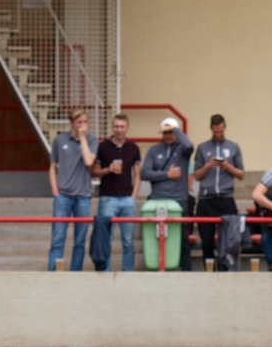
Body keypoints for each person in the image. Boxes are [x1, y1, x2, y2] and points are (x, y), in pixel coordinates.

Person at [141, 116, 195, 270]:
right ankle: (155, 268)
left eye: (170, 132)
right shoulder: (154, 150)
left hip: (179, 200)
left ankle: (186, 272)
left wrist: (176, 129)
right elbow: (145, 173)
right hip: (157, 199)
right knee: (155, 237)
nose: (168, 135)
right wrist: (167, 174)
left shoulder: (182, 150)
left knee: (183, 239)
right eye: (165, 132)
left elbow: (190, 146)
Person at [192, 114, 245, 271]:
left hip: (226, 198)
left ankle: (225, 272)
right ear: (211, 129)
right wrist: (208, 165)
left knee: (228, 241)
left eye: (221, 131)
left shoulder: (234, 147)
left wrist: (227, 166)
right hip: (206, 199)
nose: (218, 134)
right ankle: (209, 272)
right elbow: (197, 175)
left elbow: (241, 174)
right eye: (215, 132)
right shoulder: (202, 148)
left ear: (225, 127)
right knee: (206, 241)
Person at [91, 112, 142, 272]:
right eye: (116, 126)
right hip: (108, 198)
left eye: (122, 127)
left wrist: (134, 196)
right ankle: (106, 272)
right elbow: (94, 171)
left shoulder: (133, 148)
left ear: (127, 128)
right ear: (112, 127)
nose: (119, 130)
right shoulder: (103, 147)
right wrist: (108, 169)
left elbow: (137, 174)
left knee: (128, 241)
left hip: (127, 198)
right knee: (106, 239)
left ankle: (128, 273)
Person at [47, 109, 96, 272]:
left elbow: (89, 161)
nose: (82, 125)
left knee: (80, 241)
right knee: (58, 239)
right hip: (63, 196)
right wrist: (55, 190)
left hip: (83, 196)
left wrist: (82, 138)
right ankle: (53, 273)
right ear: (72, 123)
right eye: (79, 122)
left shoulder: (92, 140)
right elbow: (52, 166)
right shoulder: (60, 140)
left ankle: (76, 273)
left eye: (85, 122)